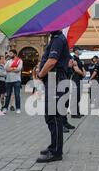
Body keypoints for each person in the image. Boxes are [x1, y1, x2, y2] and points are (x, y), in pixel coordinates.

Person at [36, 30, 70, 163]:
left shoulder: (57, 39)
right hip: (54, 79)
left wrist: (40, 74)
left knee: (53, 116)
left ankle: (56, 152)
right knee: (51, 116)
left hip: (55, 79)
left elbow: (51, 61)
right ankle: (53, 146)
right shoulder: (56, 38)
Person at [2, 49, 22, 114]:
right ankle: (5, 108)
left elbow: (18, 69)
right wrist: (13, 68)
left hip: (17, 80)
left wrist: (9, 69)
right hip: (8, 80)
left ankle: (18, 108)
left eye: (11, 54)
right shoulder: (8, 61)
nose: (10, 55)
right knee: (8, 95)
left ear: (15, 54)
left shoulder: (19, 60)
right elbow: (5, 68)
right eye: (9, 54)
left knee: (17, 95)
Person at [70, 46, 86, 118]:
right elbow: (76, 69)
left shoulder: (79, 59)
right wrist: (83, 74)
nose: (81, 51)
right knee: (75, 96)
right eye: (80, 50)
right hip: (75, 78)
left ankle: (77, 112)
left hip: (79, 78)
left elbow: (82, 68)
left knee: (78, 96)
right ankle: (74, 113)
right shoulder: (73, 58)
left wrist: (84, 73)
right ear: (76, 51)